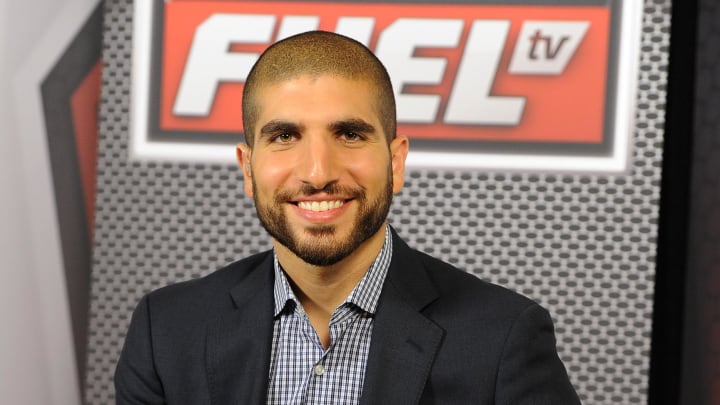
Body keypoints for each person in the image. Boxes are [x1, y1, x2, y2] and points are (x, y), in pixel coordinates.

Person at [114, 30, 580, 404]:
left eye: (350, 134)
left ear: (396, 162)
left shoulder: (503, 338)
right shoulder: (167, 330)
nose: (318, 173)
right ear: (247, 167)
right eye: (284, 136)